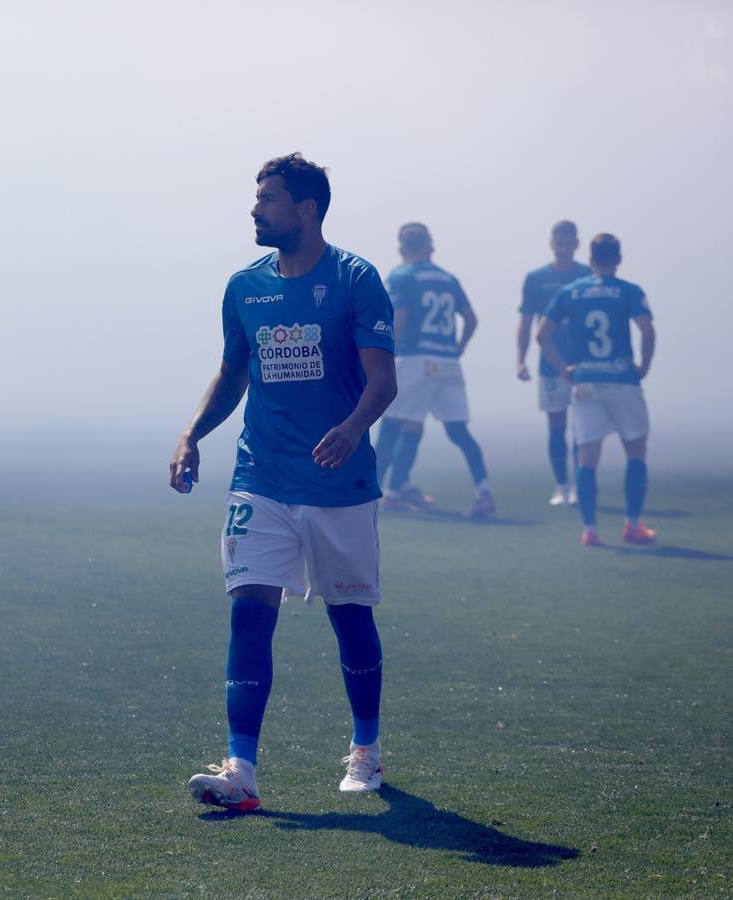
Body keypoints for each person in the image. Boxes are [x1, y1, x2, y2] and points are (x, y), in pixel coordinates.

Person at [169, 154, 398, 810]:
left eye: (267, 198)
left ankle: (366, 750)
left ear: (307, 209)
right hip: (260, 477)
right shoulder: (244, 287)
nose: (254, 209)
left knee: (350, 619)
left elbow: (383, 379)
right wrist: (191, 436)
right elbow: (232, 374)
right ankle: (241, 771)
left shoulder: (356, 279)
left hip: (338, 483)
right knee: (248, 612)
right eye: (256, 197)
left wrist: (353, 427)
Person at [537, 233, 656, 546]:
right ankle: (632, 525)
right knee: (636, 451)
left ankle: (590, 529)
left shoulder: (570, 291)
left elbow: (542, 334)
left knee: (587, 457)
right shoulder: (629, 291)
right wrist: (644, 366)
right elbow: (646, 329)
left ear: (590, 260)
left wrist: (564, 369)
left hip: (586, 382)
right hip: (622, 381)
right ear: (618, 259)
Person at [372, 223, 494, 518]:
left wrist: (388, 352)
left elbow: (398, 319)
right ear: (430, 246)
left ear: (401, 249)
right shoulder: (447, 278)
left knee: (393, 424)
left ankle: (382, 491)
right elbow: (472, 320)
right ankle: (483, 491)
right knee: (456, 430)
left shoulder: (401, 276)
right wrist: (459, 346)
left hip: (415, 359)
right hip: (448, 361)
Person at [517, 221, 592, 505]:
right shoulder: (536, 278)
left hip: (585, 365)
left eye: (568, 241)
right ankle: (562, 485)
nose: (563, 246)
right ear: (552, 243)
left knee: (583, 427)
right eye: (558, 241)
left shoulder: (587, 274)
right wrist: (520, 360)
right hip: (551, 363)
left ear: (576, 243)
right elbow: (525, 322)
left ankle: (581, 485)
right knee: (557, 425)